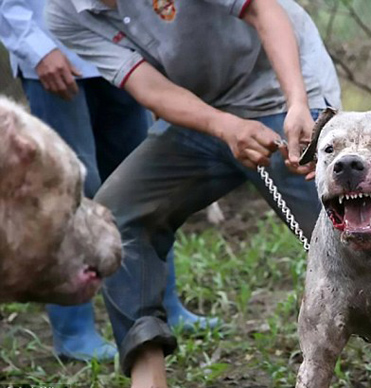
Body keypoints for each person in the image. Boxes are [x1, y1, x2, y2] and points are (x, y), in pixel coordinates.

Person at [45, 0, 340, 386]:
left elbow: (264, 10)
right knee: (117, 216)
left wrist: (299, 103)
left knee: (349, 231)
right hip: (204, 112)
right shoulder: (64, 13)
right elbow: (146, 84)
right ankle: (147, 373)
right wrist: (225, 127)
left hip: (285, 93)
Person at [0, 0, 214, 362]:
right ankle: (74, 330)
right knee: (65, 190)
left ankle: (159, 306)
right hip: (53, 52)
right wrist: (36, 47)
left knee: (145, 182)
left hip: (120, 50)